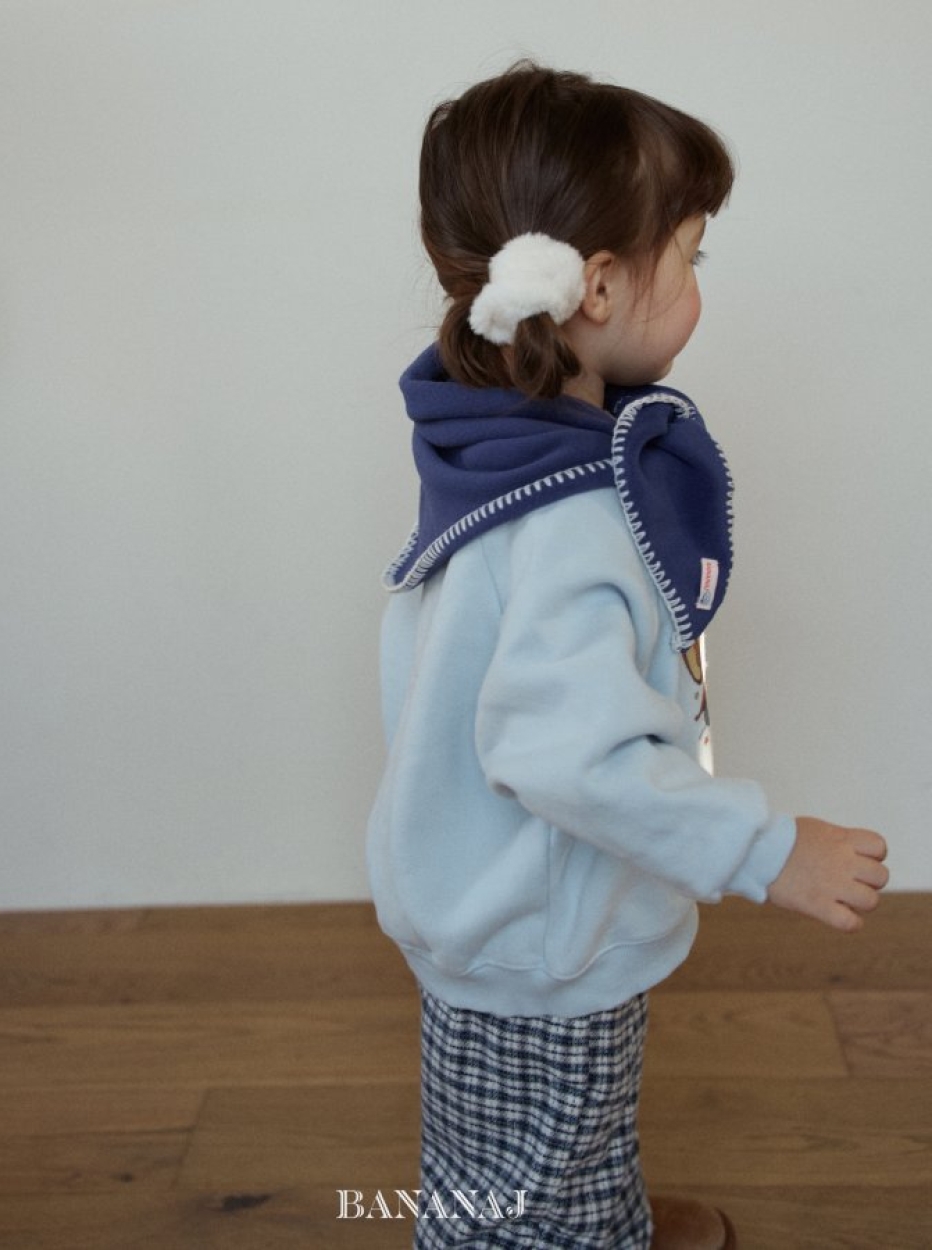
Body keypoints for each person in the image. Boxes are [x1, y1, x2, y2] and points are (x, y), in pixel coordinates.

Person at [367, 62, 889, 1250]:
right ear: (597, 285)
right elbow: (574, 758)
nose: (699, 283)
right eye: (691, 256)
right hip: (543, 937)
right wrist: (769, 849)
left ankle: (602, 1215)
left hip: (499, 903)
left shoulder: (489, 446)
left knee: (534, 1149)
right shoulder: (568, 520)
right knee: (541, 1165)